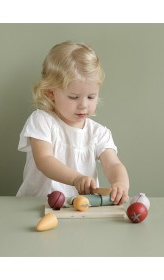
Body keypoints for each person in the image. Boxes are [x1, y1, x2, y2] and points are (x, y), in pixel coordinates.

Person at [17, 41, 129, 205]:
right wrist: (76, 178)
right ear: (51, 93)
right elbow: (44, 159)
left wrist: (120, 184)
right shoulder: (41, 120)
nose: (83, 104)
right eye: (74, 97)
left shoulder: (98, 133)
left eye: (91, 97)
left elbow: (113, 164)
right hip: (36, 205)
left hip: (79, 208)